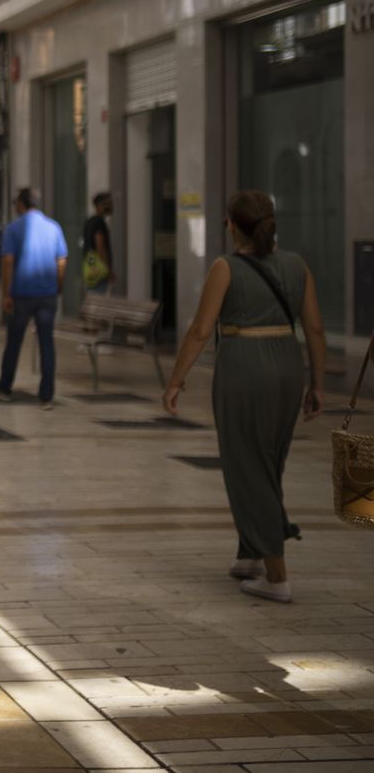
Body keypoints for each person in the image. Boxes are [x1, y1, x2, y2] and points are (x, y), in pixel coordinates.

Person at [162, 191, 325, 604]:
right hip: (287, 365)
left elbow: (200, 330)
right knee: (269, 460)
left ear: (232, 226)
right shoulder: (296, 265)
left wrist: (176, 380)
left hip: (244, 367)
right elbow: (316, 330)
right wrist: (318, 384)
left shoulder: (225, 268)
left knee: (246, 463)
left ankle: (276, 574)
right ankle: (251, 553)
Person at [0, 188, 69, 409]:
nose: (15, 205)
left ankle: (5, 386)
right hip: (47, 295)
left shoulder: (13, 228)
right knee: (47, 343)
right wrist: (58, 288)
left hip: (22, 296)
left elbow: (8, 262)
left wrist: (6, 293)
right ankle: (46, 395)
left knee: (14, 342)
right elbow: (62, 262)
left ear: (22, 203)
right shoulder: (54, 227)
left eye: (16, 201)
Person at [82, 192, 115, 294]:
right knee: (97, 299)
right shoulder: (99, 223)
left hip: (90, 267)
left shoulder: (89, 222)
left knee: (92, 298)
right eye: (107, 203)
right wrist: (108, 270)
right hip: (99, 270)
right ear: (99, 205)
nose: (110, 206)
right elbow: (100, 247)